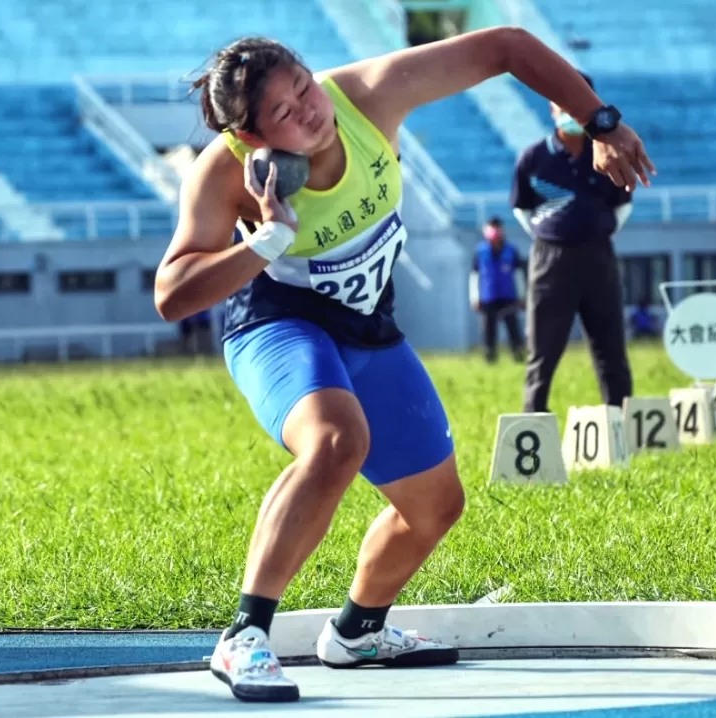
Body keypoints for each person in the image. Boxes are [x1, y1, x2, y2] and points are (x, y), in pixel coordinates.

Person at [154, 29, 655, 704]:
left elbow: (506, 46)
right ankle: (245, 634)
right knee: (335, 441)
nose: (309, 110)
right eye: (283, 113)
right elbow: (173, 293)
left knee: (435, 507)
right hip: (279, 324)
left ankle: (358, 631)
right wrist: (268, 240)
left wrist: (601, 121)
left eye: (303, 85)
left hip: (370, 328)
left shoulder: (367, 97)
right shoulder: (224, 173)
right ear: (251, 140)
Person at [510, 72, 639, 414]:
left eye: (576, 105)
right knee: (542, 350)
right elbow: (522, 208)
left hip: (599, 256)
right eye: (561, 104)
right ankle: (533, 422)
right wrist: (549, 233)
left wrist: (604, 229)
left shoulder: (608, 154)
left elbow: (623, 201)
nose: (568, 112)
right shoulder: (533, 158)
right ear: (551, 108)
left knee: (610, 346)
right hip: (551, 260)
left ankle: (621, 423)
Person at [470, 217, 527, 362]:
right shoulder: (480, 251)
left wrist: (522, 295)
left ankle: (518, 353)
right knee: (489, 330)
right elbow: (474, 275)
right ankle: (490, 356)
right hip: (488, 296)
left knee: (513, 327)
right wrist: (475, 297)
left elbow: (518, 274)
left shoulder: (511, 250)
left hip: (508, 296)